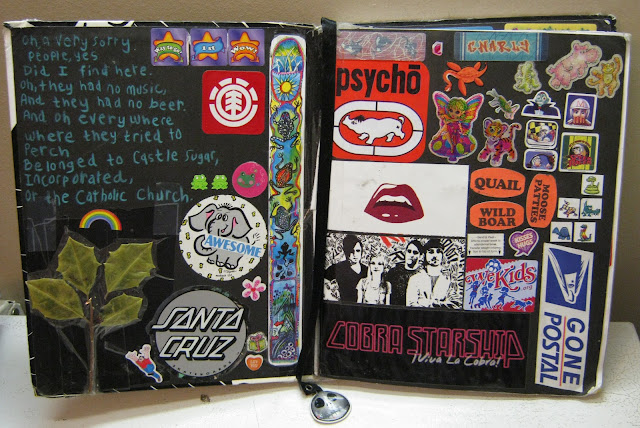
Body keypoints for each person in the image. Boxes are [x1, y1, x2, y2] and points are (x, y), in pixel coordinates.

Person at [406, 239, 453, 307]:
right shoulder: (415, 279)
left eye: (438, 252)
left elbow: (454, 304)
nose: (435, 255)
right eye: (431, 252)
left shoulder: (448, 280)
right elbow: (410, 305)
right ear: (425, 255)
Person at [324, 235, 367, 303]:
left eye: (358, 251)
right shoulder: (336, 268)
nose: (355, 254)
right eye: (351, 251)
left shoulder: (367, 270)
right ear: (346, 251)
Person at [386, 240, 423, 306]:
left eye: (415, 253)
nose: (411, 255)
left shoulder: (421, 276)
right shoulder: (393, 272)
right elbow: (387, 294)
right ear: (405, 252)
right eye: (409, 251)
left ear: (421, 256)